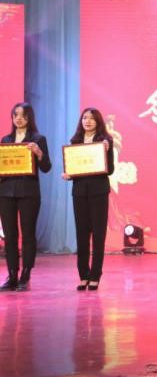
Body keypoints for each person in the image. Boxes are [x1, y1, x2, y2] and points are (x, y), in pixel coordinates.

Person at [0, 103, 51, 291]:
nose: (19, 118)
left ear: (30, 117)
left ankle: (26, 274)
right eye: (15, 115)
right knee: (10, 235)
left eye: (23, 115)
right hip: (6, 193)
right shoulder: (5, 140)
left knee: (28, 234)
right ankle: (12, 275)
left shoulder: (38, 139)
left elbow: (46, 168)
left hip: (29, 192)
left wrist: (38, 152)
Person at [62, 108, 115, 291]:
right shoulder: (75, 142)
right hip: (79, 193)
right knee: (82, 235)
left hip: (98, 192)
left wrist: (106, 152)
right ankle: (83, 275)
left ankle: (95, 275)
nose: (88, 121)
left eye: (92, 118)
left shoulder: (105, 141)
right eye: (85, 118)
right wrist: (69, 174)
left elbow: (110, 170)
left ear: (98, 122)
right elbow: (74, 168)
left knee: (98, 235)